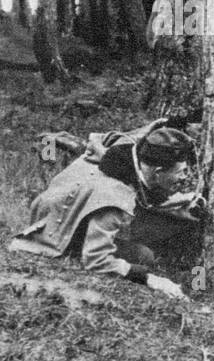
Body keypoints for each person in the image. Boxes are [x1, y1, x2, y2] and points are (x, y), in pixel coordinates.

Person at [9, 122, 203, 299]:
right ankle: (74, 249)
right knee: (143, 256)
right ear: (158, 172)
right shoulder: (115, 196)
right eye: (181, 172)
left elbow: (144, 190)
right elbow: (96, 260)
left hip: (50, 215)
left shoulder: (118, 156)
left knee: (141, 250)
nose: (185, 177)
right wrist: (151, 279)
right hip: (55, 237)